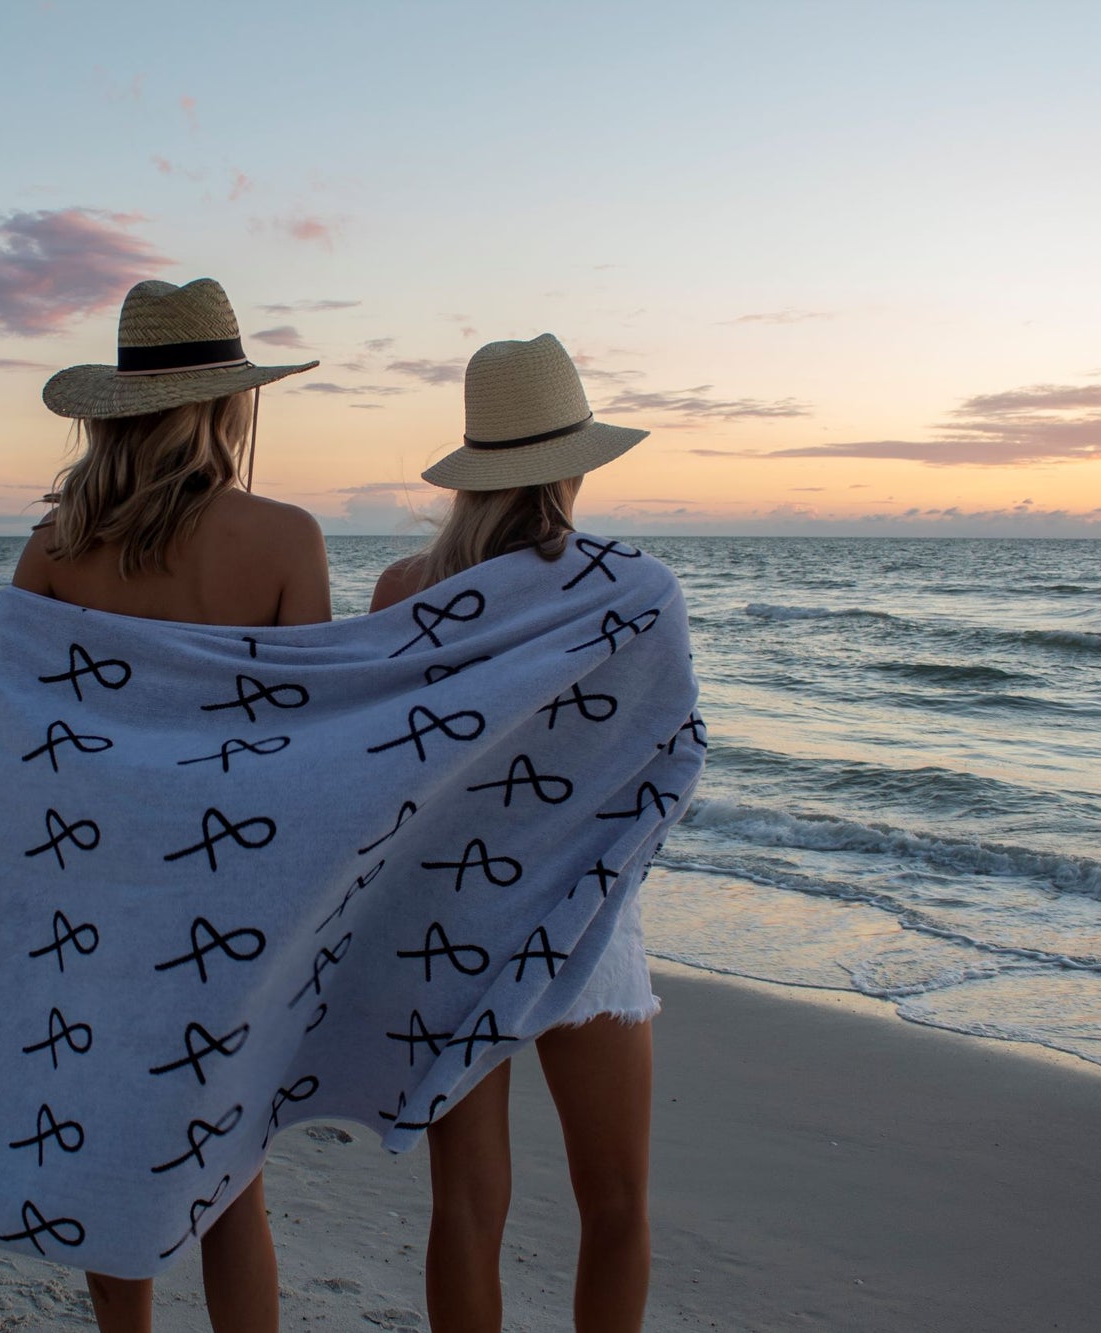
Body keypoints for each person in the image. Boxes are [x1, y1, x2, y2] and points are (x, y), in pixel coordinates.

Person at [13, 276, 331, 1333]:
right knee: (231, 1176)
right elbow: (309, 751)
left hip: (90, 894)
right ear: (230, 402)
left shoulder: (56, 545)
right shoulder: (284, 539)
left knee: (103, 1153)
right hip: (226, 899)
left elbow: (12, 737)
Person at [370, 333, 659, 1333]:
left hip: (451, 917)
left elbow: (377, 773)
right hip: (584, 903)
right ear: (574, 461)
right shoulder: (625, 589)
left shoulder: (403, 592)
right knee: (614, 1201)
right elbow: (655, 760)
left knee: (465, 1206)